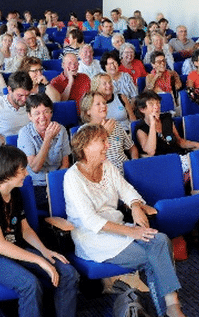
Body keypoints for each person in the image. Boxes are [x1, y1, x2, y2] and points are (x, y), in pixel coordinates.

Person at [64, 124, 185, 317]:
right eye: (102, 141)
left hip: (118, 229)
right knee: (152, 256)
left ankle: (173, 306)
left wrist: (136, 206)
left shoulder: (108, 167)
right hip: (93, 238)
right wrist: (133, 232)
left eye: (107, 140)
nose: (108, 145)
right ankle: (168, 311)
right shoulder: (72, 177)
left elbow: (127, 191)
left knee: (161, 240)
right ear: (85, 146)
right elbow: (91, 221)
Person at [0, 145, 78, 317]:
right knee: (29, 283)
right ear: (8, 172)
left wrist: (45, 252)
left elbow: (25, 229)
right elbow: (0, 246)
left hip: (18, 248)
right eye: (22, 169)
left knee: (68, 272)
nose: (27, 174)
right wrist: (39, 260)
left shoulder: (16, 194)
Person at [134, 90, 199, 179]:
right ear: (142, 109)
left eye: (158, 103)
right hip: (164, 163)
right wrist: (153, 123)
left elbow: (180, 142)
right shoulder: (141, 130)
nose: (156, 107)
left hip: (179, 156)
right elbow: (150, 151)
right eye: (151, 104)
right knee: (197, 171)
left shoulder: (166, 118)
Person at [17, 94, 71, 209]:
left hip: (58, 179)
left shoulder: (61, 130)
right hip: (36, 184)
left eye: (46, 112)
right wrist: (47, 139)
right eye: (37, 113)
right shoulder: (25, 134)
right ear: (29, 116)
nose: (42, 117)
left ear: (51, 113)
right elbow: (35, 168)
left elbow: (65, 164)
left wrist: (55, 183)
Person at [80, 91, 137, 173]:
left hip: (126, 172)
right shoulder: (84, 131)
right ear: (88, 111)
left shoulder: (115, 124)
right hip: (103, 175)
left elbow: (132, 148)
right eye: (98, 104)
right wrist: (104, 133)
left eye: (104, 103)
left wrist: (133, 164)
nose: (103, 106)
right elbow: (87, 159)